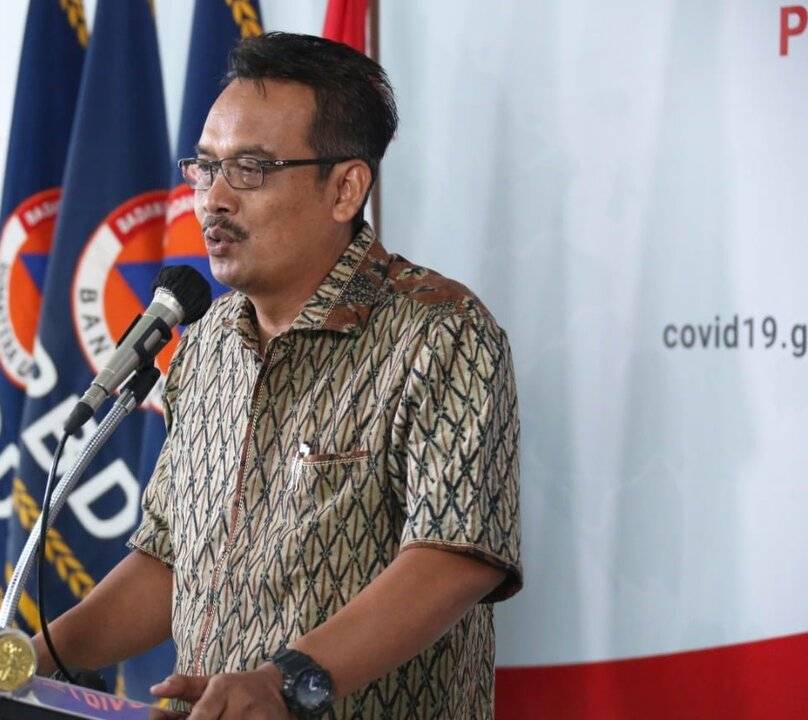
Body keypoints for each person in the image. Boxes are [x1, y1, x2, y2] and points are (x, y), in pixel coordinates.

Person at [34, 32, 522, 719]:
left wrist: (284, 682)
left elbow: (455, 557)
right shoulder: (205, 344)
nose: (213, 199)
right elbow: (167, 564)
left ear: (345, 188)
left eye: (251, 169)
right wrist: (27, 660)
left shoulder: (440, 332)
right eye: (206, 167)